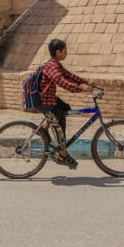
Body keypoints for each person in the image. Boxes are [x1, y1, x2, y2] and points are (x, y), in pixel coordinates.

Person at [39, 38, 91, 170]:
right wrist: (80, 89)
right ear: (58, 52)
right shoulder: (51, 67)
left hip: (50, 99)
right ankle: (63, 154)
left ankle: (44, 128)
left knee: (65, 108)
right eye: (65, 50)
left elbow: (68, 75)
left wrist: (84, 81)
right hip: (45, 102)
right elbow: (62, 82)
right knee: (59, 125)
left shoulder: (55, 64)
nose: (66, 53)